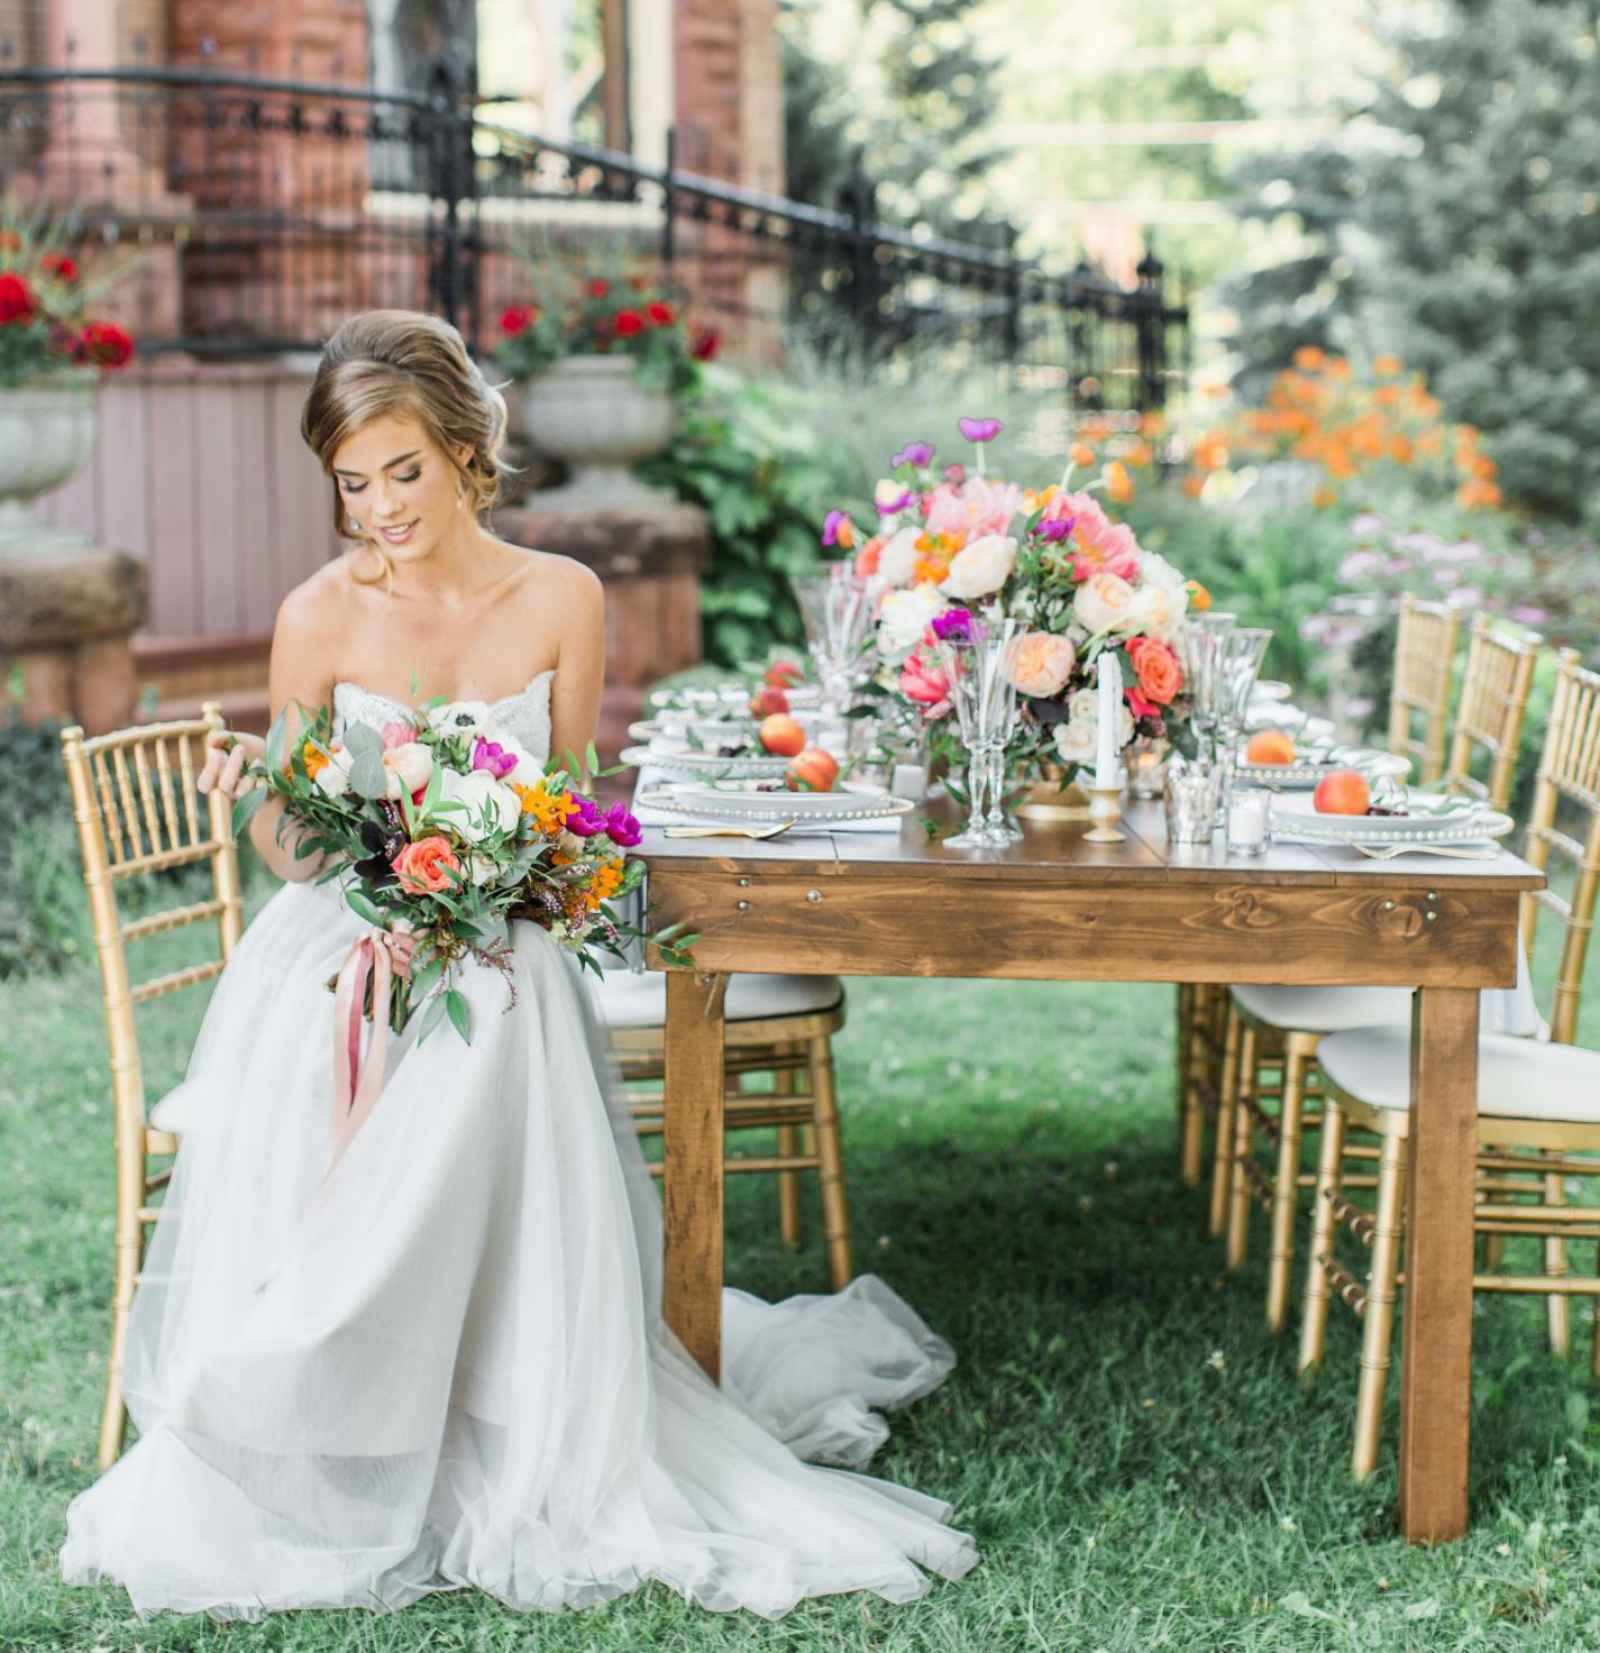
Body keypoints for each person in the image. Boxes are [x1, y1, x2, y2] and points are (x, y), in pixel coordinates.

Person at [59, 309, 976, 1621]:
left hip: (504, 926)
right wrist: (268, 787)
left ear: (465, 449)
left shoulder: (562, 596)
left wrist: (489, 882)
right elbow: (296, 856)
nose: (381, 509)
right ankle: (313, 1396)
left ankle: (492, 1404)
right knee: (452, 1019)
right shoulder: (315, 615)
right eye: (353, 483)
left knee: (496, 1004)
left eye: (403, 471)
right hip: (348, 939)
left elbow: (567, 811)